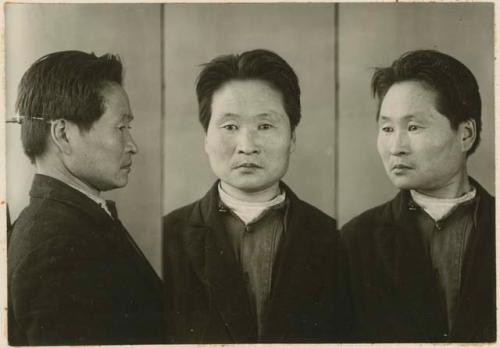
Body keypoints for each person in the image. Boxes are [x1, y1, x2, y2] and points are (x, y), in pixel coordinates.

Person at [163, 49, 352, 343]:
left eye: (265, 126)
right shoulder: (165, 238)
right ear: (206, 138)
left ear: (293, 137)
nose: (246, 145)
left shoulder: (336, 238)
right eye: (230, 127)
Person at [8, 50, 164, 345]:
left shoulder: (71, 223)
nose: (132, 146)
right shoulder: (56, 244)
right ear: (63, 134)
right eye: (120, 128)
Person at [341, 50, 495, 342]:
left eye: (413, 127)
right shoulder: (354, 241)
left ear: (466, 134)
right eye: (387, 128)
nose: (396, 146)